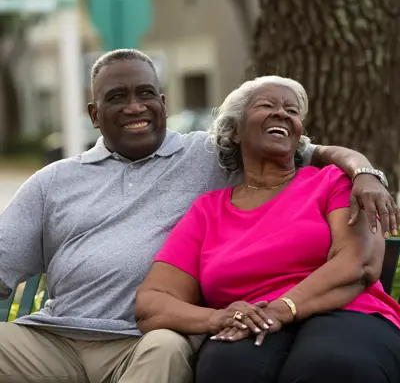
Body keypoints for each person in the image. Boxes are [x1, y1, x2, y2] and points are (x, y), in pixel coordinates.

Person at [0, 49, 397, 383]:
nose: (135, 106)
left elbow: (301, 147)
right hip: (55, 337)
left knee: (318, 362)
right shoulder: (53, 181)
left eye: (146, 94)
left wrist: (364, 170)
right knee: (229, 364)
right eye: (117, 97)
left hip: (140, 343)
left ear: (164, 103)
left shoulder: (205, 155)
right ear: (93, 113)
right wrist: (224, 318)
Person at [136, 75, 400, 383]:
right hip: (251, 322)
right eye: (267, 105)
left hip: (347, 312)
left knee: (327, 365)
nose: (282, 113)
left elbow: (360, 264)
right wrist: (218, 318)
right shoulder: (208, 210)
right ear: (234, 131)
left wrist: (282, 308)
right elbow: (153, 303)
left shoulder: (331, 182)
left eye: (291, 110)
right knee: (226, 369)